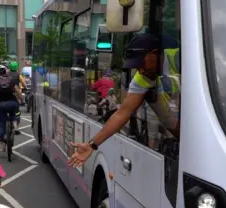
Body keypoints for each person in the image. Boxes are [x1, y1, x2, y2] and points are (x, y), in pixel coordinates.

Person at [69, 33, 180, 167]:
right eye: (136, 67)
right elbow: (122, 114)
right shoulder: (142, 78)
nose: (140, 70)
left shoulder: (179, 59)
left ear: (155, 53)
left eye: (141, 64)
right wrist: (92, 145)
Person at [0, 65, 24, 152]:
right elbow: (18, 92)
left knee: (1, 124)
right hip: (12, 103)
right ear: (5, 72)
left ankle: (2, 146)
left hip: (0, 104)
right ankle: (15, 126)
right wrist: (22, 100)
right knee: (13, 113)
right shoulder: (10, 79)